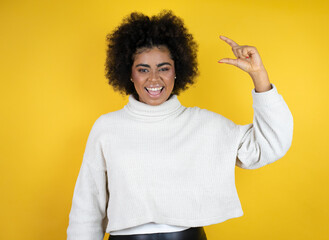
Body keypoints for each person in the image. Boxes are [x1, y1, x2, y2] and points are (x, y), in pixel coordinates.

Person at [66, 10, 293, 240]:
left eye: (163, 68)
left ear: (177, 72)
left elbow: (270, 145)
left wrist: (259, 76)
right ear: (129, 74)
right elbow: (86, 210)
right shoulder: (107, 128)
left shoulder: (204, 124)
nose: (154, 79)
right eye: (143, 69)